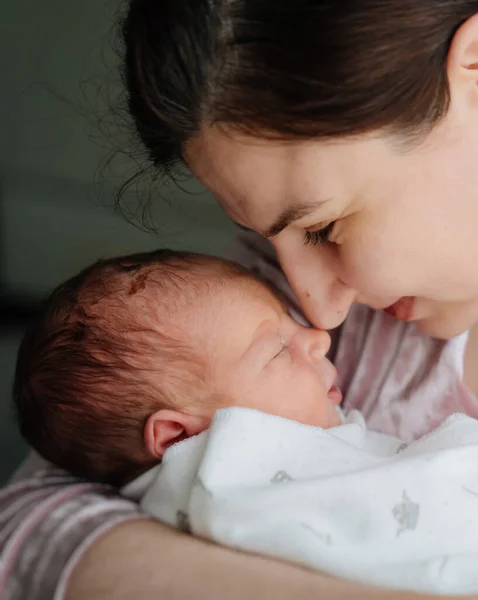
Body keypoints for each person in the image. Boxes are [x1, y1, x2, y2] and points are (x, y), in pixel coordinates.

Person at [3, 1, 478, 598]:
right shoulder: (249, 308)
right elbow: (30, 531)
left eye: (324, 227)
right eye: (264, 238)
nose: (319, 313)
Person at [13, 249, 341, 486]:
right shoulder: (247, 508)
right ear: (179, 438)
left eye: (288, 316)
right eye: (277, 351)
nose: (319, 337)